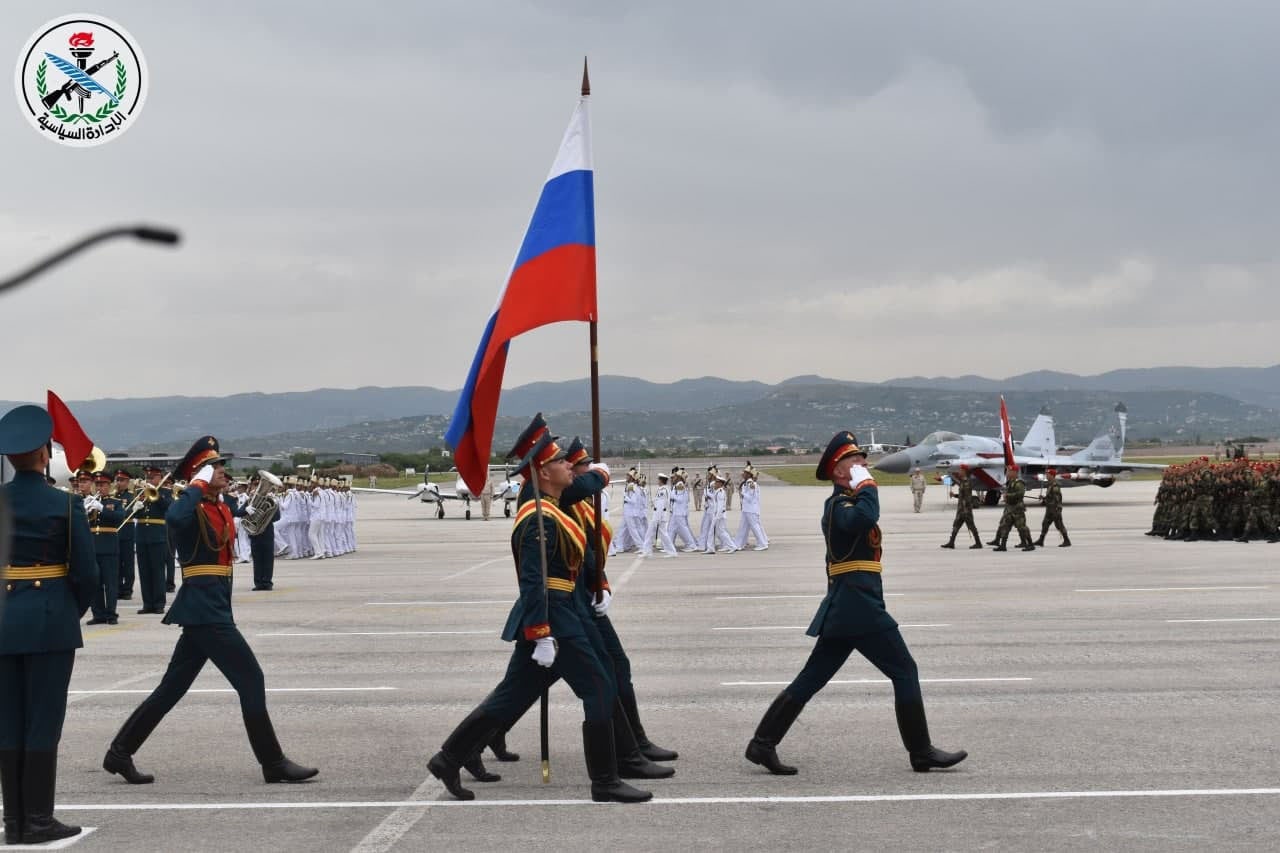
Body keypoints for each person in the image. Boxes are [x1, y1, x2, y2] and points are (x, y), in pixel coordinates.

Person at [426, 431, 652, 803]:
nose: (568, 466)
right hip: (554, 619)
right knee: (598, 688)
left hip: (563, 614)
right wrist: (541, 632)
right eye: (561, 461)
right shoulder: (538, 518)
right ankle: (606, 782)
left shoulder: (551, 509)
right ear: (543, 472)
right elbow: (533, 580)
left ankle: (448, 758)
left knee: (510, 698)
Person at [745, 432, 966, 776]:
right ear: (837, 471)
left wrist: (863, 489)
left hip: (851, 605)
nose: (864, 464)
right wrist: (869, 487)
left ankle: (762, 744)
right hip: (857, 606)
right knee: (904, 670)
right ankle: (920, 751)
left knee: (811, 678)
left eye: (863, 459)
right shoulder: (838, 506)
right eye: (855, 461)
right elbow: (862, 520)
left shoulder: (851, 501)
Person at [102, 436, 317, 786]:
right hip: (205, 608)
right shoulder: (189, 505)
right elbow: (174, 518)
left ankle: (120, 752)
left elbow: (251, 519)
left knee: (171, 688)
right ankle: (273, 762)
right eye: (216, 467)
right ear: (201, 474)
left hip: (213, 604)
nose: (223, 472)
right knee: (251, 679)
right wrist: (196, 483)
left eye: (220, 467)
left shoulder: (218, 504)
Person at [0, 404, 98, 845]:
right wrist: (65, 610)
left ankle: (15, 820)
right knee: (42, 721)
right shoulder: (64, 505)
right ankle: (37, 820)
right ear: (44, 454)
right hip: (49, 620)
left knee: (8, 721)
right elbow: (88, 577)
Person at [86, 472, 126, 625]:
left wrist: (102, 508)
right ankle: (98, 614)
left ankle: (111, 614)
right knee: (94, 583)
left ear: (109, 486)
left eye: (102, 485)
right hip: (92, 547)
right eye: (97, 485)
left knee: (110, 583)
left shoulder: (115, 502)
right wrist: (84, 509)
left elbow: (118, 518)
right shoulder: (89, 501)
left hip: (109, 547)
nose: (99, 487)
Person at [134, 465, 173, 614]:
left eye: (152, 477)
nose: (149, 480)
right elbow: (133, 515)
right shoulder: (140, 492)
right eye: (147, 477)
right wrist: (135, 509)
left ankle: (158, 604)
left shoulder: (166, 492)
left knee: (157, 570)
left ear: (159, 478)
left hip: (158, 535)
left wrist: (157, 495)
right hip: (142, 535)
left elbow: (168, 507)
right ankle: (147, 603)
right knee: (144, 571)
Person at [235, 474, 281, 591]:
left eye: (258, 485)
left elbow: (277, 517)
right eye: (255, 486)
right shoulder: (249, 500)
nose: (256, 489)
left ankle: (267, 582)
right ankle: (258, 583)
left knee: (267, 558)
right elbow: (239, 512)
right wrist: (247, 509)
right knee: (257, 558)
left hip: (266, 532)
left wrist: (266, 514)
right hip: (254, 533)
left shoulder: (271, 501)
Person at [992, 465, 1035, 552]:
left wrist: (1007, 496)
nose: (1007, 473)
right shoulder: (1010, 482)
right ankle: (1003, 545)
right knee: (1005, 526)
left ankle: (1030, 544)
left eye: (1009, 471)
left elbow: (1020, 494)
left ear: (1014, 473)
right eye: (1007, 471)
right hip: (1010, 508)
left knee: (1022, 527)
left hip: (1017, 509)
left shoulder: (1019, 483)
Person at [940, 465, 982, 549]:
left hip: (965, 510)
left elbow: (967, 497)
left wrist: (965, 510)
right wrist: (955, 495)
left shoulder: (966, 482)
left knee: (971, 526)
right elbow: (962, 495)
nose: (959, 472)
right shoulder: (963, 481)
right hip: (961, 509)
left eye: (961, 470)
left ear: (964, 472)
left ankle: (978, 543)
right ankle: (951, 543)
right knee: (956, 526)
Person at [114, 469, 137, 601]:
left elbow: (131, 514)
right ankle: (117, 588)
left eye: (122, 480)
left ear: (128, 482)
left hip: (127, 532)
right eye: (117, 480)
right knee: (116, 563)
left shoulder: (131, 496)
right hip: (115, 532)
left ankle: (127, 589)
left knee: (128, 563)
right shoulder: (112, 496)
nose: (119, 483)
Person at [734, 466, 769, 551]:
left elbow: (750, 498)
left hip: (751, 509)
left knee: (755, 527)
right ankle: (739, 544)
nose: (743, 474)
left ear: (749, 474)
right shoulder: (746, 483)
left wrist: (742, 493)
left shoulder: (751, 484)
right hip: (746, 509)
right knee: (742, 527)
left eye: (745, 473)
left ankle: (763, 544)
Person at [1034, 468, 1071, 547]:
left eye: (1048, 474)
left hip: (1055, 509)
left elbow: (1057, 499)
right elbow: (1050, 497)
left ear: (1052, 475)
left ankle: (1067, 540)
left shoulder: (1055, 486)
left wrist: (1057, 509)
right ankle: (1041, 540)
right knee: (1045, 524)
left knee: (1059, 525)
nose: (1046, 476)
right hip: (1050, 509)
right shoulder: (1050, 484)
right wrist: (1044, 498)